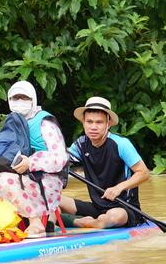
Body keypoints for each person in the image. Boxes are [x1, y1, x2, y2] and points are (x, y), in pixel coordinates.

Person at [0, 81, 68, 238]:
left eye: (24, 98)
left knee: (4, 179)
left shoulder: (45, 122)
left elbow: (60, 159)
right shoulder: (11, 122)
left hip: (46, 179)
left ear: (33, 99)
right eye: (16, 98)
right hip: (18, 176)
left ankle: (36, 223)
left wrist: (31, 162)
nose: (20, 102)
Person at [59, 96, 150, 229]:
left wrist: (118, 188)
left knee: (114, 217)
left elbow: (144, 173)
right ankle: (93, 221)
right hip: (97, 207)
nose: (93, 127)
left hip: (124, 209)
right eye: (89, 122)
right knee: (52, 200)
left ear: (108, 123)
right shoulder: (81, 144)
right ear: (83, 123)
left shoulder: (121, 144)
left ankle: (78, 222)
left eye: (99, 122)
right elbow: (59, 162)